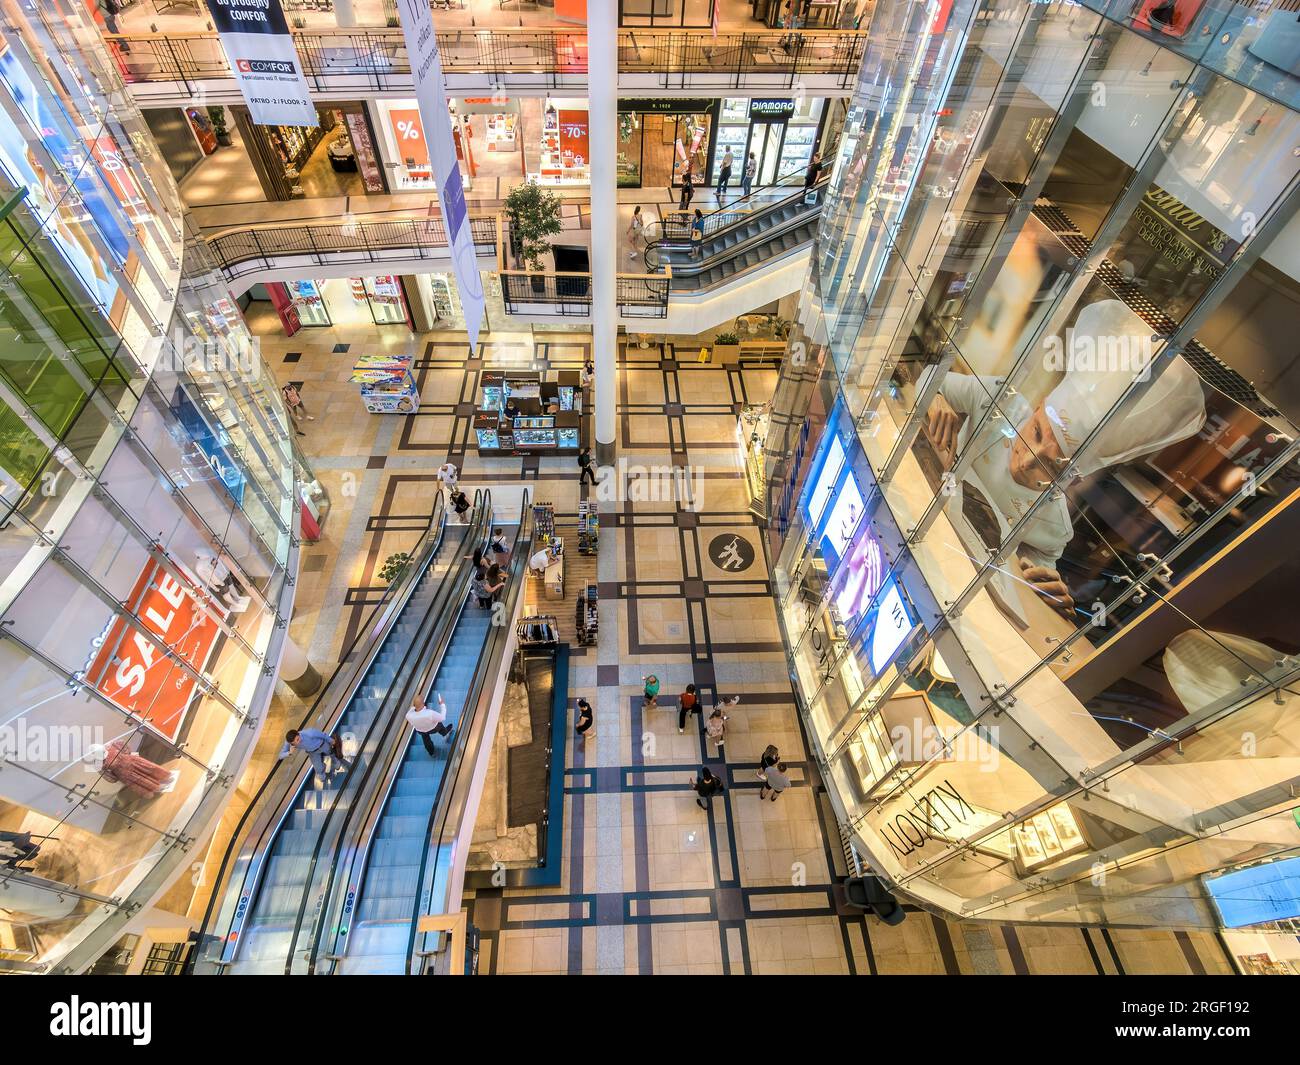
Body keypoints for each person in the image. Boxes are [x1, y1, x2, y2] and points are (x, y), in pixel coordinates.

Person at [919, 299, 1205, 619]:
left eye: (1053, 465)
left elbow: (1035, 582)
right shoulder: (997, 400)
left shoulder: (1054, 529)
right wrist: (935, 398)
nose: (1028, 461)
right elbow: (930, 376)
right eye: (1037, 432)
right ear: (1038, 406)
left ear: (1074, 474)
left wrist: (1054, 597)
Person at [279, 727, 350, 785]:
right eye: (294, 743)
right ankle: (322, 767)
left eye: (298, 739)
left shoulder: (310, 733)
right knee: (318, 769)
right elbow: (280, 756)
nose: (297, 743)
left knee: (331, 753)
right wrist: (289, 753)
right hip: (312, 752)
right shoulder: (289, 743)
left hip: (322, 745)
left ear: (299, 734)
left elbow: (323, 735)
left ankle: (335, 761)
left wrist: (331, 740)